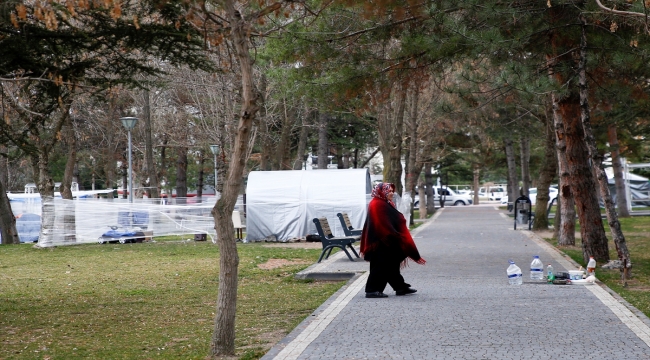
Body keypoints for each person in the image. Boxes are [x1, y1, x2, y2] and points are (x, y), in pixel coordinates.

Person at [360, 182, 426, 298]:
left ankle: (400, 287)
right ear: (381, 192)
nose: (391, 193)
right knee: (380, 266)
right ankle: (372, 290)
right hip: (380, 241)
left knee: (391, 265)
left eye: (391, 191)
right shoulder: (377, 204)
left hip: (384, 240)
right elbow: (381, 224)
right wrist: (394, 234)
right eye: (388, 191)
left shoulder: (383, 202)